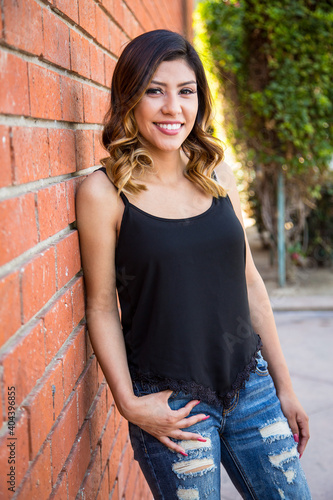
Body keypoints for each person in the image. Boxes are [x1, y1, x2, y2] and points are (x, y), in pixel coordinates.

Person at [76, 29, 312, 499]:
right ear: (129, 98)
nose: (173, 108)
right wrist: (130, 404)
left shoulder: (216, 173)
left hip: (251, 387)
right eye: (154, 91)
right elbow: (101, 306)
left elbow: (250, 284)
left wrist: (284, 387)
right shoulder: (104, 194)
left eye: (186, 92)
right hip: (173, 408)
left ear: (199, 100)